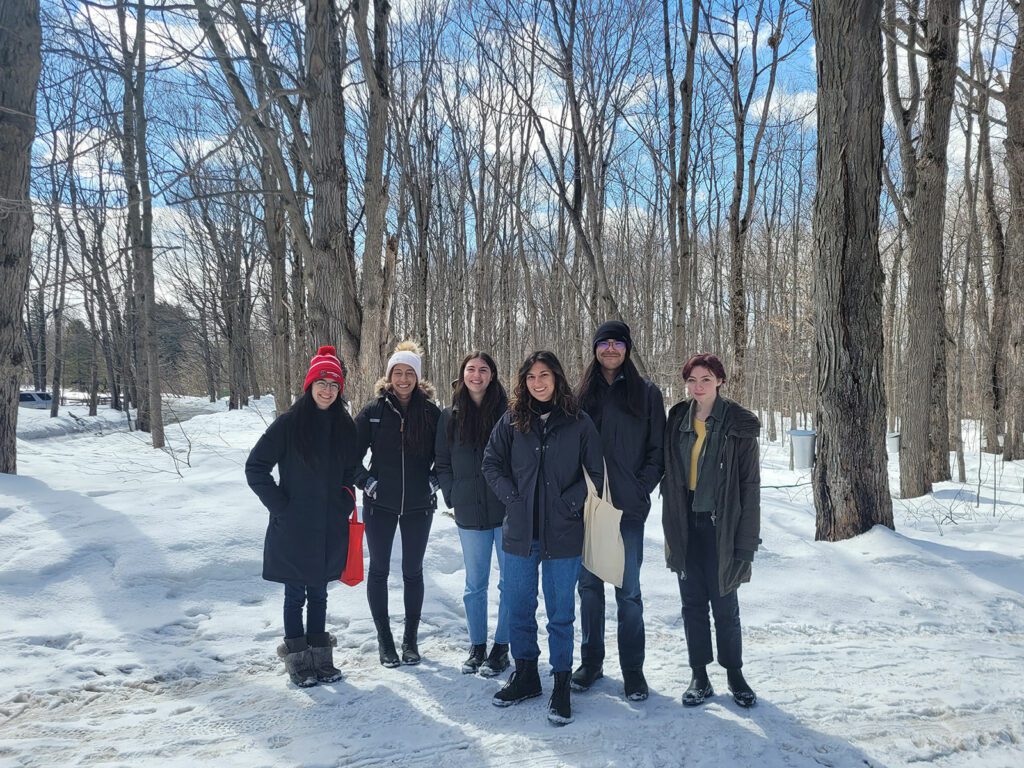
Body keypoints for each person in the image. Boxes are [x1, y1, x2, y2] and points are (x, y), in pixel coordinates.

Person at [482, 351, 604, 726]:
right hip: (519, 533)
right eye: (532, 376)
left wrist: (569, 504)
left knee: (560, 613)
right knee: (518, 607)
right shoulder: (512, 420)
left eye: (545, 375)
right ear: (524, 381)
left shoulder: (578, 422)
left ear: (557, 378)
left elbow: (595, 474)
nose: (538, 382)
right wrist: (512, 497)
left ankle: (562, 683)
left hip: (563, 534)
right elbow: (491, 462)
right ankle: (526, 675)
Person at [245, 345, 358, 687]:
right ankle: (298, 661)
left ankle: (321, 660)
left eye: (333, 384)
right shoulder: (288, 424)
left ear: (340, 390)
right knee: (295, 595)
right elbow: (256, 467)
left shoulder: (345, 426)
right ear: (309, 386)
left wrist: (344, 502)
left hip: (328, 526)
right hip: (293, 526)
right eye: (321, 382)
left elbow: (351, 471)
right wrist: (281, 506)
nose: (327, 389)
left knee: (320, 593)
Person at [661, 353, 761, 708]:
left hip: (723, 528)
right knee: (692, 604)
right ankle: (699, 676)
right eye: (691, 380)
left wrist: (746, 542)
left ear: (719, 380)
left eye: (705, 379)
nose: (697, 387)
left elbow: (749, 485)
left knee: (725, 603)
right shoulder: (676, 419)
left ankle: (734, 672)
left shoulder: (739, 424)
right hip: (684, 523)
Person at [573, 320, 665, 701]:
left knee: (628, 593)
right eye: (603, 343)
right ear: (595, 348)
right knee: (589, 589)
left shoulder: (646, 394)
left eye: (617, 343)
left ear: (627, 348)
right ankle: (591, 662)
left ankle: (633, 670)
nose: (610, 349)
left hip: (628, 509)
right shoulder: (578, 394)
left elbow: (657, 451)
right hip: (588, 509)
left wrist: (640, 488)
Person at [353, 340, 441, 668]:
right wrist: (367, 482)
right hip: (380, 504)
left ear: (418, 378)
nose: (403, 379)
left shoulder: (432, 413)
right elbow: (351, 456)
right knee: (378, 570)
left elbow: (444, 458)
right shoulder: (373, 413)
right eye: (397, 373)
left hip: (419, 505)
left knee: (412, 571)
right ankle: (385, 639)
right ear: (389, 376)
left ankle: (410, 640)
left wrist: (435, 481)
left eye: (409, 373)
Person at [435, 352, 511, 677]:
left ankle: (501, 648)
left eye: (483, 370)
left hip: (506, 511)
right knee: (474, 585)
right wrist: (452, 495)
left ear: (492, 375)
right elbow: (442, 461)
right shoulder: (449, 415)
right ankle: (477, 645)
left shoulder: (508, 412)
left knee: (510, 584)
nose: (476, 375)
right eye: (470, 369)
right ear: (462, 374)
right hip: (469, 512)